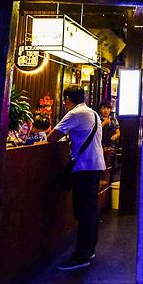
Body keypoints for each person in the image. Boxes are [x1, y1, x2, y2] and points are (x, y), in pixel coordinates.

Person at [47, 85, 105, 270]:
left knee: (84, 211)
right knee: (91, 210)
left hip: (84, 167)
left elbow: (51, 137)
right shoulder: (93, 114)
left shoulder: (75, 114)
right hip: (96, 166)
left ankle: (82, 256)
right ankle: (89, 249)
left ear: (67, 99)